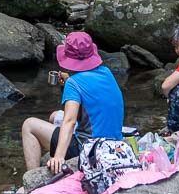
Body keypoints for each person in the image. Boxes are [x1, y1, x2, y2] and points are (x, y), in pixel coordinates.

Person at [20, 32, 124, 174]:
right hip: (114, 142)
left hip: (90, 149)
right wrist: (68, 83)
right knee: (54, 116)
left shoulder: (74, 84)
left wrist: (59, 157)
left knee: (29, 125)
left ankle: (31, 179)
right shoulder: (106, 72)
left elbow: (69, 121)